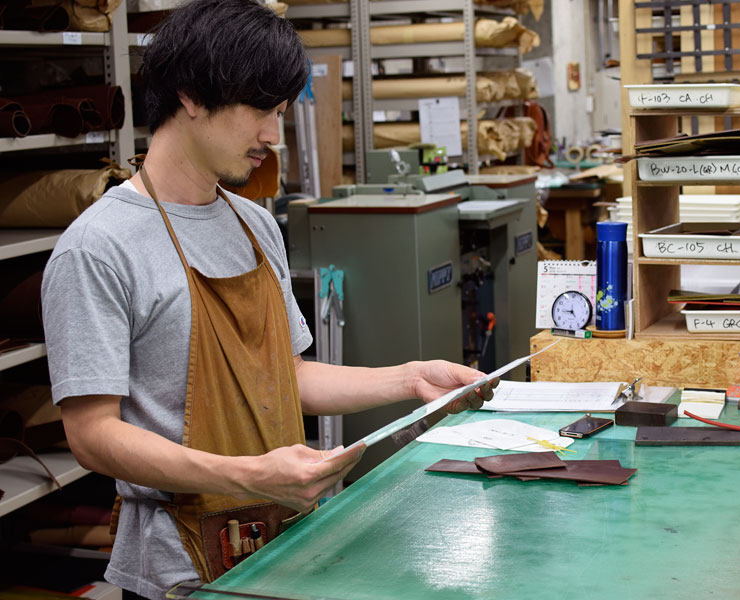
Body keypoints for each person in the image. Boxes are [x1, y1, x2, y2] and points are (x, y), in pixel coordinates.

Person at [40, 1, 495, 598]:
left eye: (280, 112)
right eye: (260, 109)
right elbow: (92, 435)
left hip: (283, 543)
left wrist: (410, 380)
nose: (271, 136)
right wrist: (247, 474)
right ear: (191, 97)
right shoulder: (98, 248)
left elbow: (289, 375)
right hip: (180, 570)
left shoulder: (255, 224)